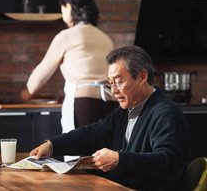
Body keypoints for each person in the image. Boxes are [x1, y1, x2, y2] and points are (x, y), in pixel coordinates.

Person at [30, 45, 190, 191]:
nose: (113, 90)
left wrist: (120, 159)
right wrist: (53, 145)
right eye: (110, 83)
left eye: (118, 82)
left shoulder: (166, 113)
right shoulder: (125, 111)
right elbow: (92, 135)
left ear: (142, 76)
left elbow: (168, 161)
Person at [20, 0, 118, 134]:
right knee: (102, 153)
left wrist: (28, 91)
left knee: (79, 153)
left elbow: (44, 70)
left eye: (62, 9)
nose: (62, 14)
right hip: (111, 101)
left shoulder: (67, 35)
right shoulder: (106, 38)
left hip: (84, 102)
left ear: (69, 7)